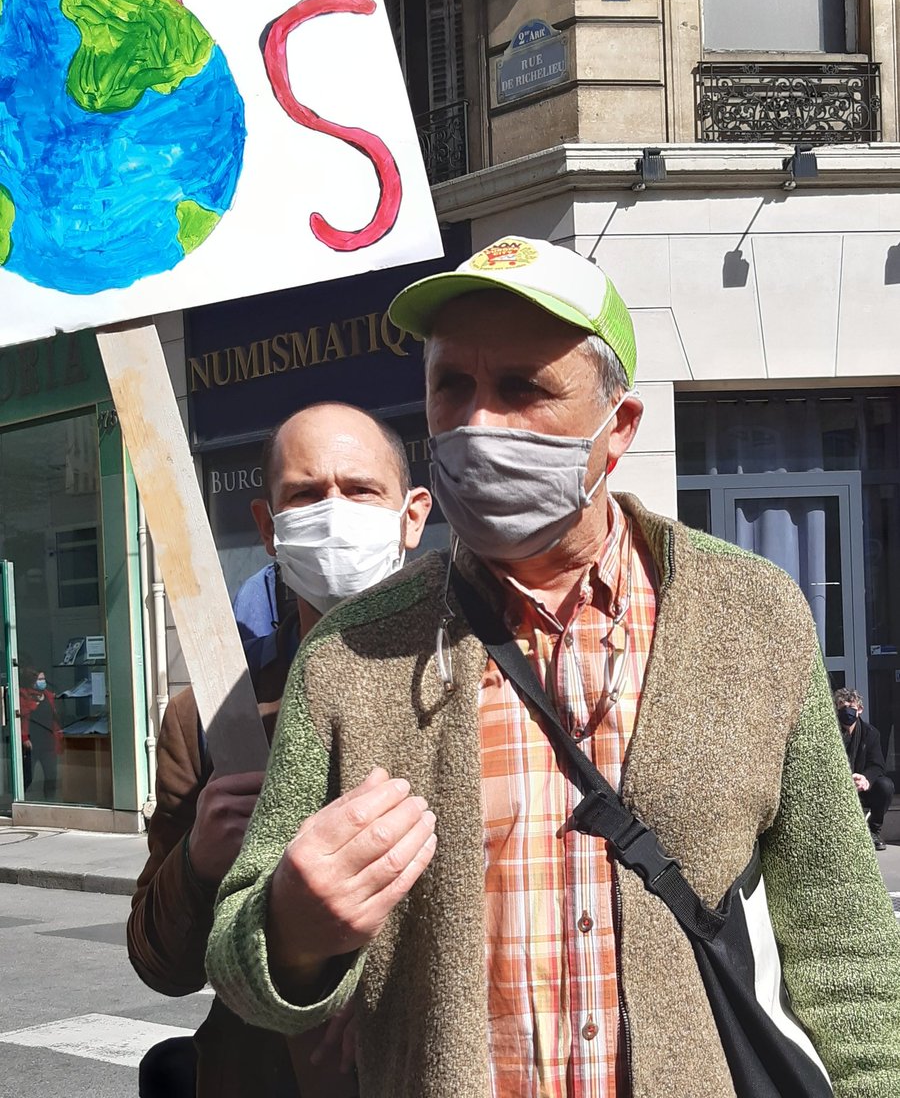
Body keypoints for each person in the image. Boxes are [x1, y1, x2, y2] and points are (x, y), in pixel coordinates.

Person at [206, 237, 900, 1098]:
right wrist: (293, 930)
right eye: (452, 386)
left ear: (620, 430)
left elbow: (843, 940)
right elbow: (240, 960)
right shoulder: (348, 655)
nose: (476, 424)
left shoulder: (753, 618)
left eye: (523, 388)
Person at [127, 401, 432, 1098]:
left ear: (412, 515)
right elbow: (160, 967)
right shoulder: (209, 721)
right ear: (268, 528)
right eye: (304, 493)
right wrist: (197, 862)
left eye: (359, 490)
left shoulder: (480, 686)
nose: (334, 512)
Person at [834, 687, 894, 851]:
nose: (847, 712)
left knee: (885, 786)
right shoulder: (830, 735)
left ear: (859, 710)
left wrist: (865, 779)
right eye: (842, 708)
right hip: (836, 786)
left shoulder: (871, 733)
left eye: (851, 708)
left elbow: (878, 765)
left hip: (862, 786)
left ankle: (873, 831)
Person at [19, 667, 63, 801]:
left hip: (48, 742)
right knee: (28, 776)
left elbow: (54, 717)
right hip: (32, 743)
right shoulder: (23, 695)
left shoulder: (49, 696)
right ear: (32, 681)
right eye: (39, 679)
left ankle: (50, 802)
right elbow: (21, 718)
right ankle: (21, 800)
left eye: (43, 679)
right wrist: (24, 738)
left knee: (51, 776)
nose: (42, 682)